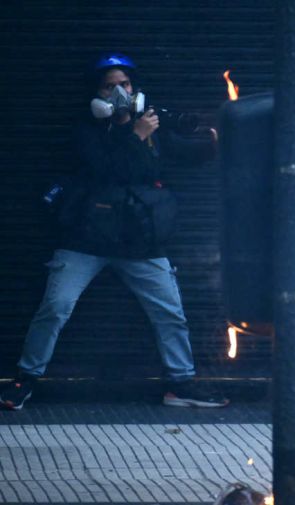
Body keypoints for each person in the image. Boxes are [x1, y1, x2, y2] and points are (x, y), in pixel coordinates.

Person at [0, 53, 227, 410]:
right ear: (98, 93)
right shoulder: (87, 131)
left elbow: (185, 152)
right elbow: (108, 170)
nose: (119, 91)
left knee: (170, 313)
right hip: (85, 240)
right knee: (56, 307)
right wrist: (135, 135)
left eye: (125, 84)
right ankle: (24, 380)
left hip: (140, 241)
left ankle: (180, 384)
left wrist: (216, 138)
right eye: (110, 86)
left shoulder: (151, 129)